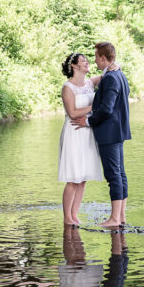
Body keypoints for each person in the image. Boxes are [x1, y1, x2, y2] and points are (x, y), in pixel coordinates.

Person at [71, 42, 131, 227]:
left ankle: (114, 218)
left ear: (104, 58)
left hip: (109, 133)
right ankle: (120, 216)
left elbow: (106, 109)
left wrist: (88, 121)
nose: (95, 60)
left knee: (113, 175)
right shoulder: (118, 74)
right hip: (117, 132)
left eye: (96, 56)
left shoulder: (112, 78)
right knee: (119, 174)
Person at [58, 53, 104, 225]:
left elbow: (108, 72)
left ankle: (75, 214)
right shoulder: (67, 88)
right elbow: (72, 113)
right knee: (73, 178)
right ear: (74, 66)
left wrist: (116, 66)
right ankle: (67, 217)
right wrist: (95, 106)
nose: (87, 62)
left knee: (83, 178)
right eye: (83, 60)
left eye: (87, 60)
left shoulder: (90, 83)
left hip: (87, 131)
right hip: (74, 132)